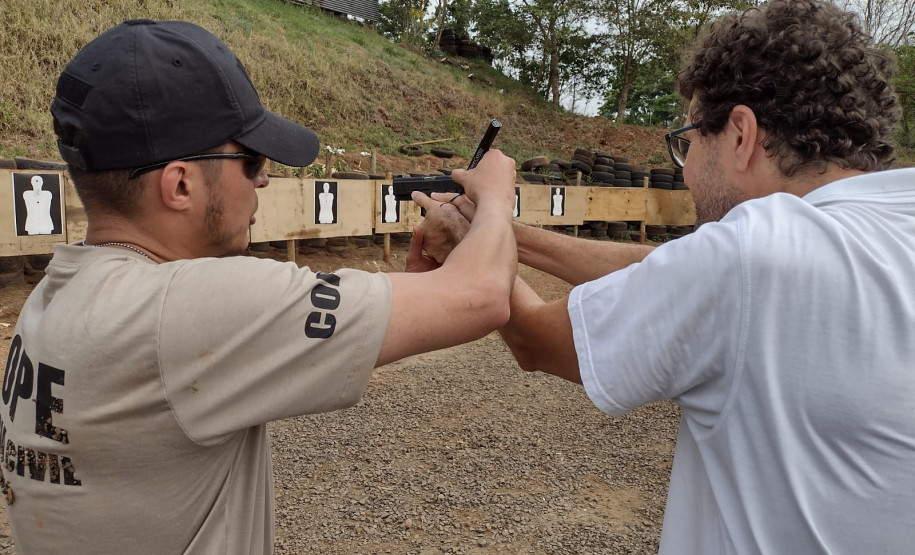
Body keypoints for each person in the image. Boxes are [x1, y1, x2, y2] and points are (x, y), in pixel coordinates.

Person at [0, 19, 517, 554]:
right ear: (180, 184)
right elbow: (481, 296)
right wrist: (497, 198)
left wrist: (413, 296)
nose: (264, 179)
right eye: (249, 161)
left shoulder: (55, 297)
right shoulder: (187, 307)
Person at [414, 1, 913, 553]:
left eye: (689, 140)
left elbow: (536, 338)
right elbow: (666, 270)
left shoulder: (752, 254)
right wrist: (509, 233)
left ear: (741, 134)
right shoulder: (886, 224)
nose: (688, 168)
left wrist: (476, 232)